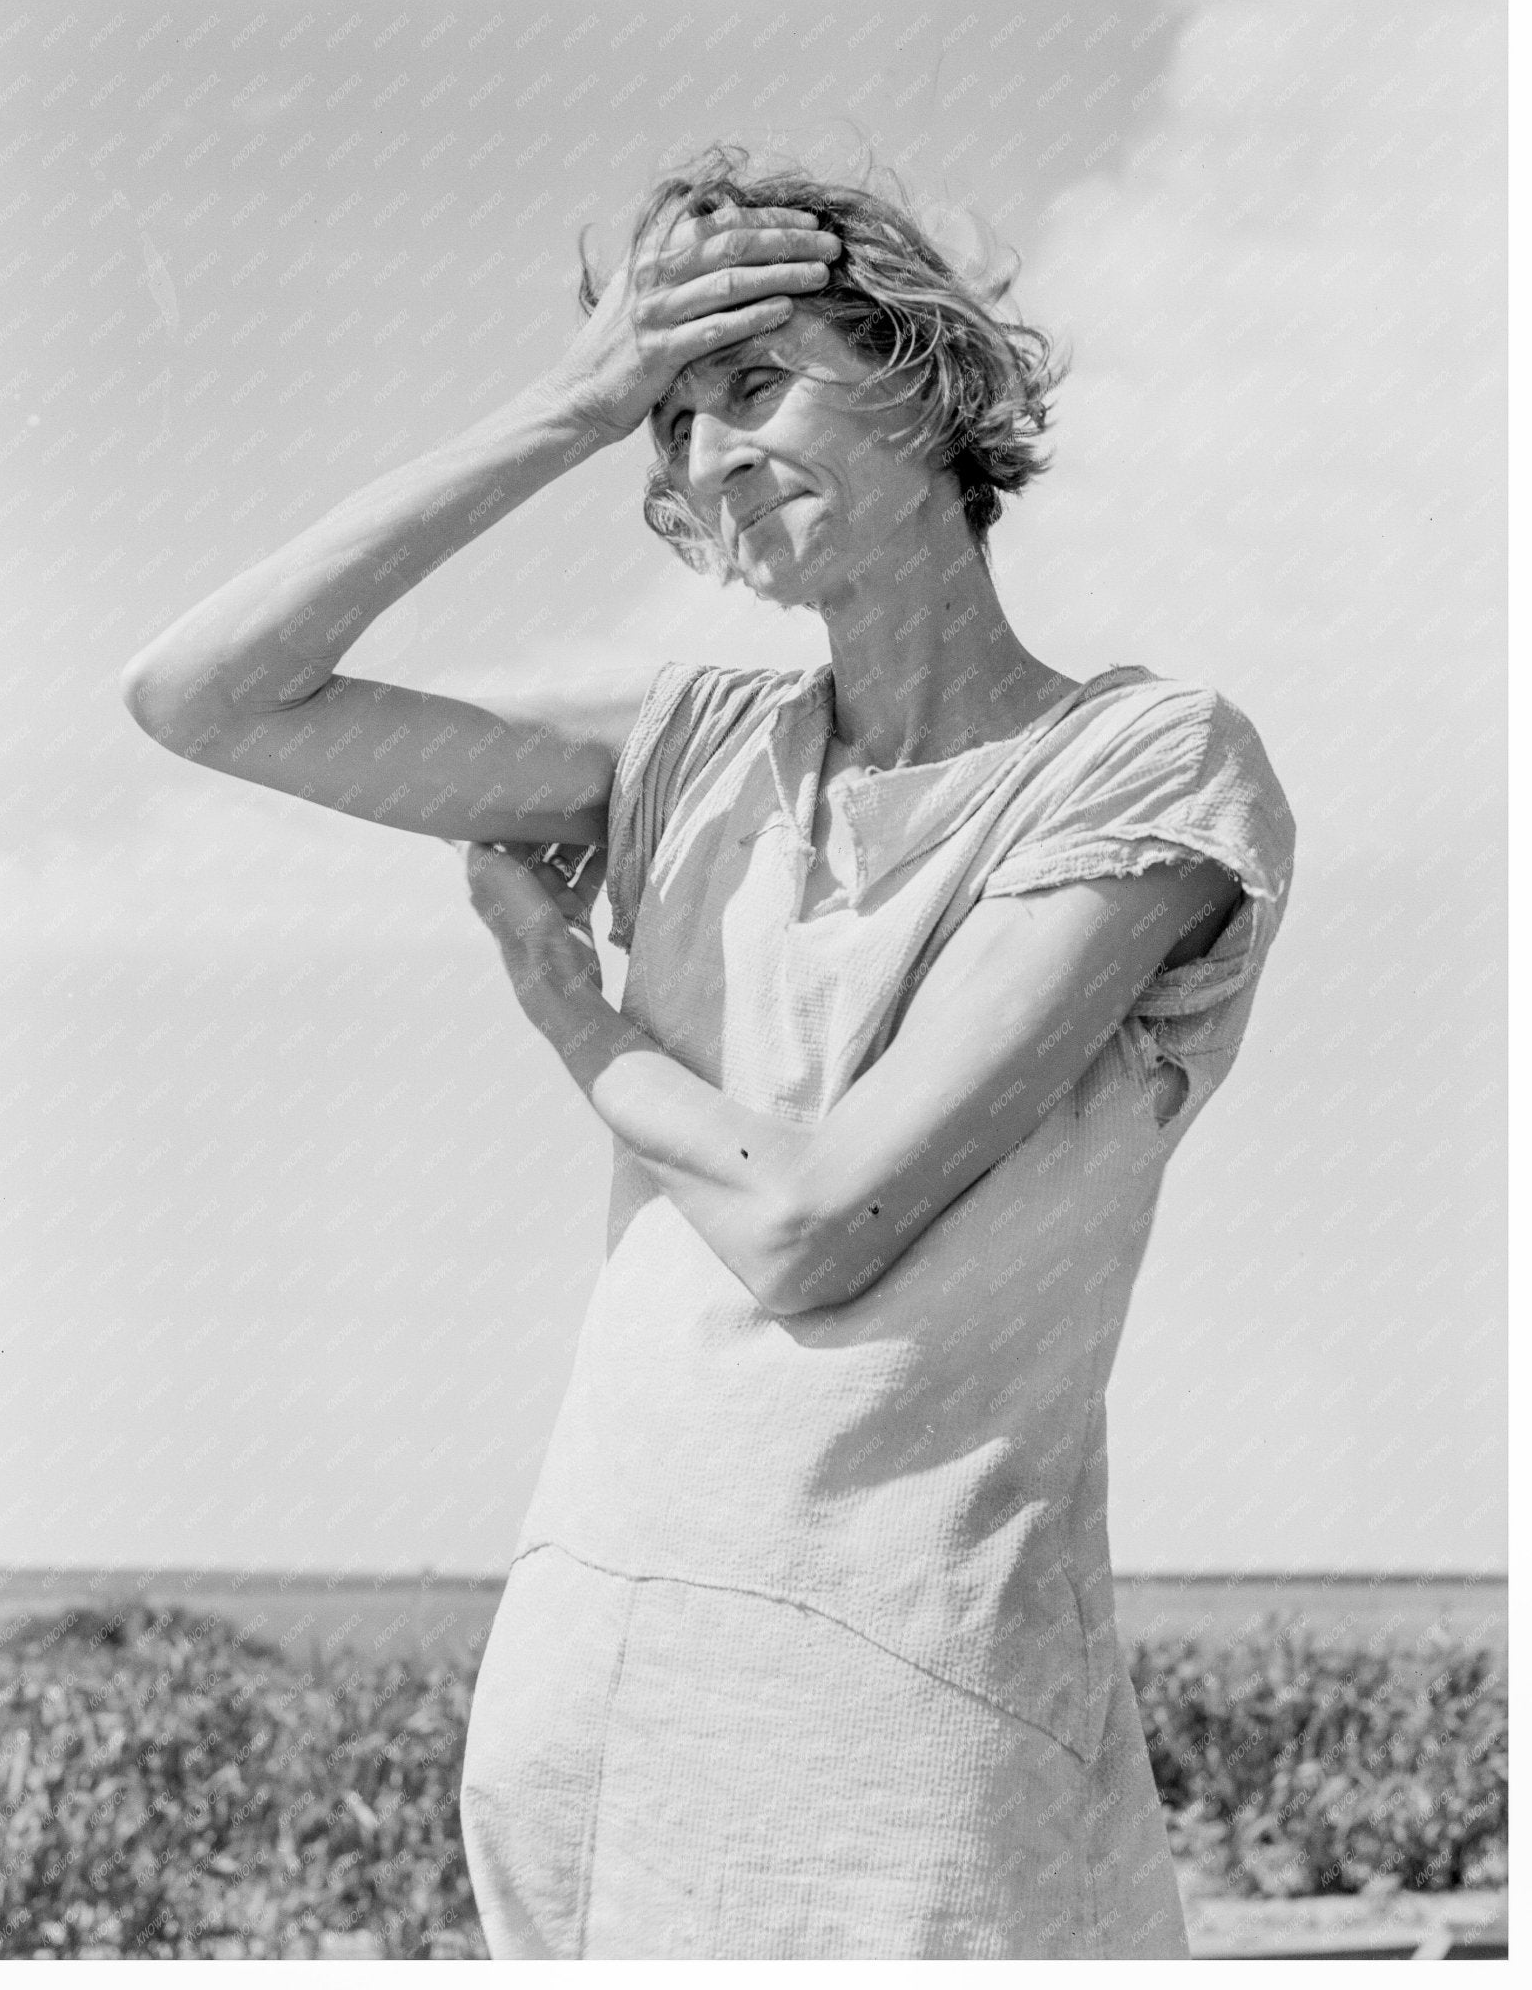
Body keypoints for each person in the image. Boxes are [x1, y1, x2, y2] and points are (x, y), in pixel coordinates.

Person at [121, 145, 1295, 1959]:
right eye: (667, 423)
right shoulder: (681, 746)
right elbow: (204, 695)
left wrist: (572, 1018)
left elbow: (818, 1222)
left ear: (926, 380)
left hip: (908, 1690)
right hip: (591, 1656)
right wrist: (565, 404)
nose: (705, 454)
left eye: (754, 384)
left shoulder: (1143, 765)